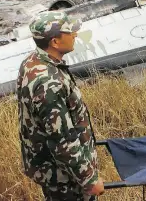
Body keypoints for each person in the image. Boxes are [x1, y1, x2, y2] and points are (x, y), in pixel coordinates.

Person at [17, 11, 104, 201]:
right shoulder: (49, 83)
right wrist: (88, 179)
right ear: (55, 42)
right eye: (70, 32)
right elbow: (62, 141)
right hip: (63, 177)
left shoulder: (33, 61)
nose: (75, 35)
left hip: (51, 167)